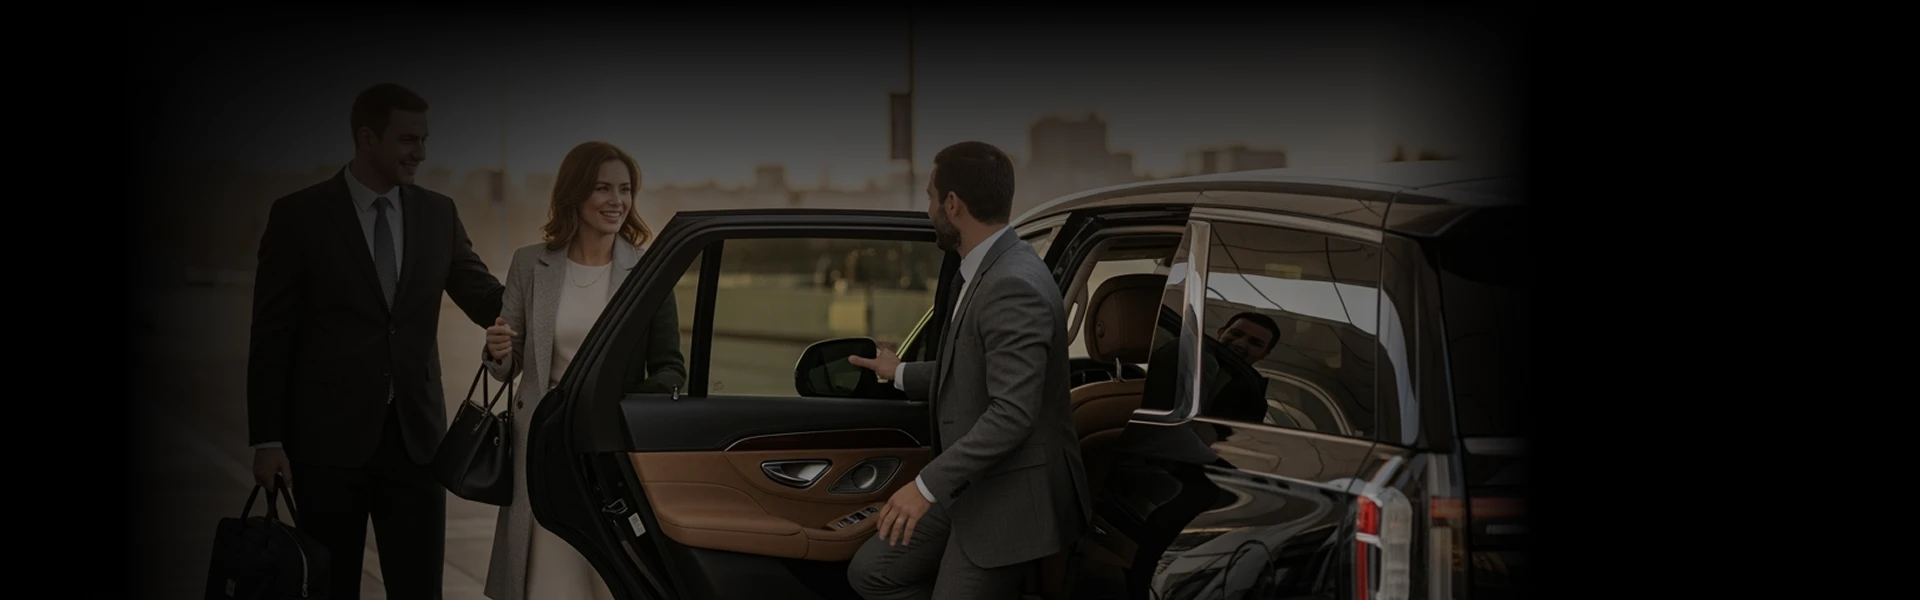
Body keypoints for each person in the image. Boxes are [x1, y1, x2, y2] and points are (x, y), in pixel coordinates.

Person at [246, 82, 505, 600]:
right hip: (326, 448)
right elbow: (271, 335)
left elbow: (487, 299)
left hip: (418, 445)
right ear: (367, 137)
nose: (422, 153)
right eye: (409, 139)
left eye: (426, 138)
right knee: (330, 588)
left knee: (418, 589)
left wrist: (559, 302)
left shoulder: (438, 213)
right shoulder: (298, 216)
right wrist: (267, 440)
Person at [843, 141, 1091, 599]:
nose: (929, 209)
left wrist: (926, 486)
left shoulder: (1011, 282)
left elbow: (1013, 412)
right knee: (872, 573)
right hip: (974, 485)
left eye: (930, 197)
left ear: (952, 204)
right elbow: (973, 366)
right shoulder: (988, 268)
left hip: (1012, 498)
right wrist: (898, 373)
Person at [479, 140, 686, 600]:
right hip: (543, 451)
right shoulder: (530, 263)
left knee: (611, 580)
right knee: (547, 581)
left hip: (609, 453)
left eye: (626, 190)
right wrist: (496, 351)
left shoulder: (649, 269)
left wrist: (620, 412)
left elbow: (671, 368)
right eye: (603, 189)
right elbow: (507, 366)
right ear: (575, 193)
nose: (617, 201)